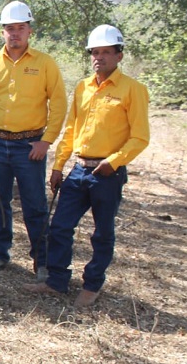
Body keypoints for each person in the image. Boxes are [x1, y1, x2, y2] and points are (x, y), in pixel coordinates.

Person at [24, 25, 149, 308]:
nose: (99, 57)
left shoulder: (133, 90)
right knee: (59, 227)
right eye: (95, 52)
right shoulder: (83, 87)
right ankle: (57, 280)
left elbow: (140, 137)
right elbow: (71, 129)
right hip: (79, 169)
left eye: (106, 52)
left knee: (102, 232)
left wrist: (113, 162)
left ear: (119, 55)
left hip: (108, 174)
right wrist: (58, 166)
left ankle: (92, 284)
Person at [0, 1, 67, 280]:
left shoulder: (44, 63)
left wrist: (46, 142)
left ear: (29, 31)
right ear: (2, 32)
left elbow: (58, 104)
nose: (15, 34)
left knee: (34, 204)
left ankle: (42, 259)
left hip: (30, 146)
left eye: (20, 28)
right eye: (9, 28)